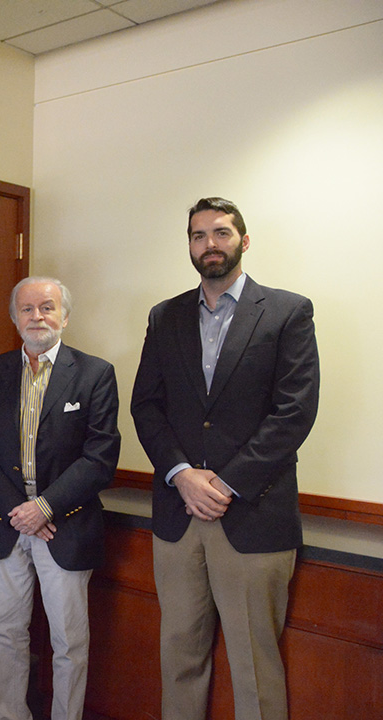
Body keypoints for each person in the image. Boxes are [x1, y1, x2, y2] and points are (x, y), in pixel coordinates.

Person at [131, 198, 320, 720]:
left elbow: (294, 413)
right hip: (178, 516)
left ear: (244, 239)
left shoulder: (287, 311)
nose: (209, 244)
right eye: (197, 235)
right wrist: (182, 475)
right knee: (179, 658)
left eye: (220, 232)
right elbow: (145, 404)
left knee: (255, 667)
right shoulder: (165, 315)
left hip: (254, 516)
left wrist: (225, 484)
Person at [0, 277, 120, 720]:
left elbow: (100, 457)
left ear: (65, 316)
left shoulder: (95, 373)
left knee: (68, 642)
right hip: (7, 523)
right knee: (6, 633)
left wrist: (45, 508)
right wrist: (20, 513)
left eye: (48, 308)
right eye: (28, 309)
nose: (38, 316)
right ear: (15, 318)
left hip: (66, 525)